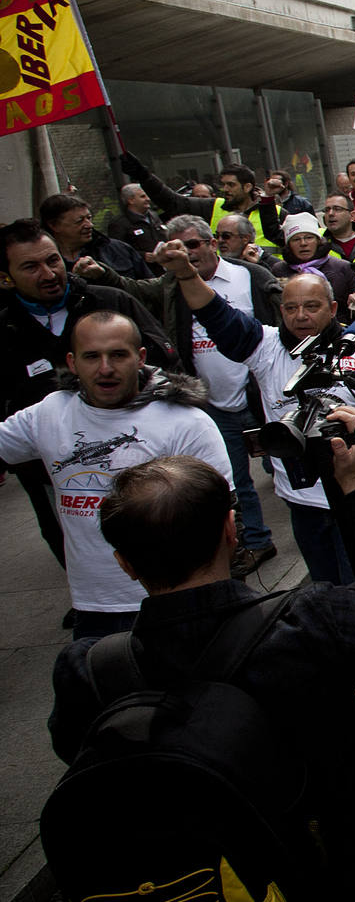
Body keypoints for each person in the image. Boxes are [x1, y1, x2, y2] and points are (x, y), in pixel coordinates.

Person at [46, 413, 355, 902]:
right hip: (334, 875)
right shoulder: (308, 628)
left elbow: (75, 749)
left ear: (122, 561)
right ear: (232, 531)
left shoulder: (86, 670)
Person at [157, 241, 355, 586]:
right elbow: (217, 316)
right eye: (291, 308)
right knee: (326, 584)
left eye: (311, 307)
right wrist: (187, 274)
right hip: (304, 502)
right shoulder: (263, 347)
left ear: (332, 308)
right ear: (280, 311)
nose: (301, 316)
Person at [0, 311, 230, 640]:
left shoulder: (186, 422)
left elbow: (221, 515)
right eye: (92, 356)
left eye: (118, 355)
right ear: (72, 361)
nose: (105, 368)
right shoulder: (49, 413)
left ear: (140, 358)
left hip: (176, 604)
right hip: (94, 609)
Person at [78, 215, 281, 578]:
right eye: (177, 248)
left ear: (212, 244)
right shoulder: (172, 284)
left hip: (259, 397)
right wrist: (102, 274)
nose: (187, 254)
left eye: (193, 245)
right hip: (211, 403)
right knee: (233, 479)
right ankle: (254, 540)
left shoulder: (250, 276)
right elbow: (135, 290)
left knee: (285, 465)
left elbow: (280, 319)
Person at [1, 220, 177, 577]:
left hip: (137, 454)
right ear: (6, 277)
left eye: (53, 260)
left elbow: (166, 361)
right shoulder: (5, 329)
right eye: (31, 267)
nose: (49, 273)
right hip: (50, 469)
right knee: (68, 534)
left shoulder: (108, 300)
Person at [122, 153, 284, 254]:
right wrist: (143, 176)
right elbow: (172, 202)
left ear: (247, 186)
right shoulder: (212, 207)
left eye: (231, 185)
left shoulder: (276, 213)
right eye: (223, 184)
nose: (225, 189)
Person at [265, 212, 355, 323]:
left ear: (318, 241)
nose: (303, 243)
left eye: (309, 237)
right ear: (288, 244)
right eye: (296, 239)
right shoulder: (279, 270)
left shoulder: (342, 267)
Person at [40, 193, 149, 280]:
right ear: (54, 225)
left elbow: (148, 290)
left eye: (89, 218)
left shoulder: (118, 249)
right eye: (79, 221)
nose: (89, 225)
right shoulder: (42, 262)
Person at [107, 183, 167, 257]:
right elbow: (117, 250)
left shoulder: (154, 216)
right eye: (142, 196)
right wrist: (143, 256)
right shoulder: (119, 224)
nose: (148, 199)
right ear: (131, 200)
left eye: (147, 195)